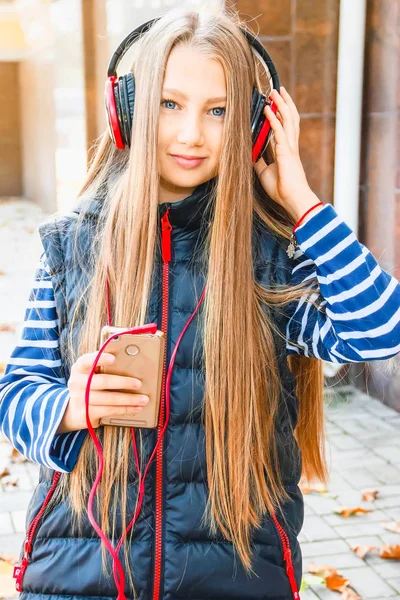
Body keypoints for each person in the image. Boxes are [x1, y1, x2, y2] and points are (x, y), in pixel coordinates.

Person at [1, 5, 400, 600]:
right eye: (170, 104)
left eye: (218, 112)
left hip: (238, 576)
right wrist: (67, 407)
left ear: (254, 127)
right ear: (127, 111)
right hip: (79, 573)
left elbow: (379, 331)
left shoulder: (268, 258)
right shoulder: (74, 243)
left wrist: (300, 199)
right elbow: (16, 394)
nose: (192, 134)